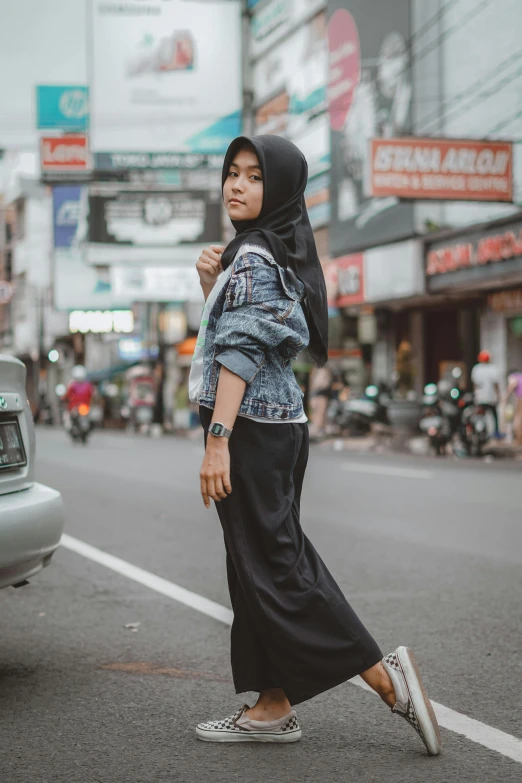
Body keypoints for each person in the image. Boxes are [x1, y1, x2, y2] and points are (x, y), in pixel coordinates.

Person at [189, 135, 441, 755]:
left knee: (275, 567)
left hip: (251, 432)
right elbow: (248, 339)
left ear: (279, 191)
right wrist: (211, 287)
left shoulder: (254, 255)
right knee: (257, 567)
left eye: (254, 177)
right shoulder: (263, 252)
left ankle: (389, 681)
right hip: (272, 427)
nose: (237, 185)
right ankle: (272, 705)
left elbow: (244, 352)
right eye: (232, 173)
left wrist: (218, 440)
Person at [471, 350, 502, 437]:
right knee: (494, 416)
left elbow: (475, 384)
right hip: (491, 397)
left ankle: (482, 432)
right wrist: (498, 395)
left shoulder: (476, 369)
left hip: (480, 397)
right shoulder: (493, 369)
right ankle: (496, 432)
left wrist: (476, 394)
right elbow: (496, 384)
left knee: (481, 416)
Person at [505, 368, 522, 445]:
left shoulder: (513, 376)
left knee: (518, 418)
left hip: (520, 397)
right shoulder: (520, 376)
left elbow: (513, 384)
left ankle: (518, 439)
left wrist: (505, 397)